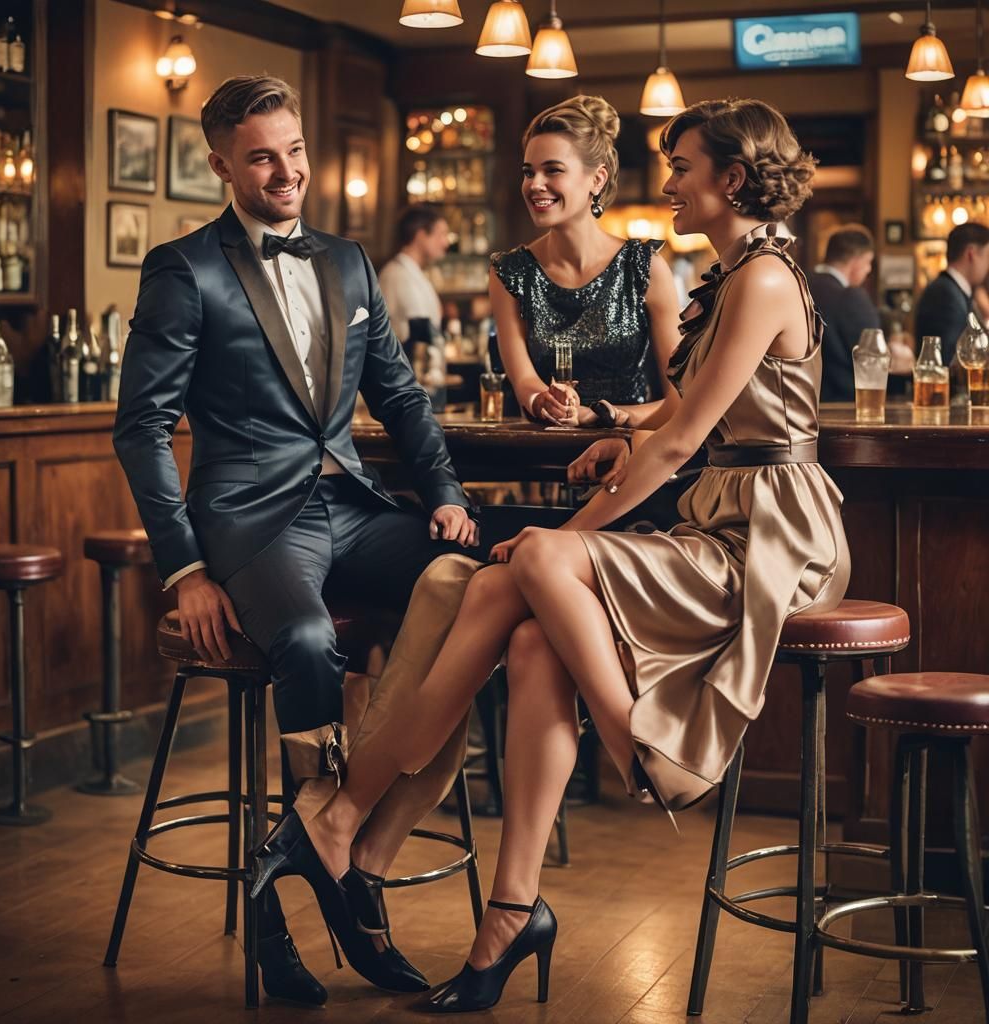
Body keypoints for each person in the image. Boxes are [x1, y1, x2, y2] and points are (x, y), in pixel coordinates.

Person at [252, 97, 850, 1013]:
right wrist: (619, 428)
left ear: (732, 178)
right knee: (522, 632)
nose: (671, 184)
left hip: (773, 537)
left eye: (683, 167)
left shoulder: (759, 278)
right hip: (722, 511)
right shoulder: (729, 276)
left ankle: (647, 761)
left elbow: (686, 438)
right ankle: (505, 913)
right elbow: (684, 413)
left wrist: (566, 541)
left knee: (521, 566)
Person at [113, 74, 480, 1005]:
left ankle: (349, 849)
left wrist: (442, 493)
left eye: (294, 150)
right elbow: (141, 427)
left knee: (473, 585)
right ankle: (289, 910)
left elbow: (397, 395)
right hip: (247, 515)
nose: (285, 171)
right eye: (262, 156)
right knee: (310, 640)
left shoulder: (351, 262)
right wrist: (186, 567)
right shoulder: (182, 268)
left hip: (349, 504)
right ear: (223, 164)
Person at [490, 96, 681, 430]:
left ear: (597, 179)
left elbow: (682, 396)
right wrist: (544, 401)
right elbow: (524, 383)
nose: (535, 185)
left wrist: (605, 416)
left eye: (553, 170)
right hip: (544, 457)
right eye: (528, 172)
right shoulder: (510, 272)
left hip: (631, 454)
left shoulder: (644, 267)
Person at [808, 224, 913, 401]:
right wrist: (900, 354)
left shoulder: (800, 284)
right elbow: (874, 357)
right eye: (868, 263)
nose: (869, 270)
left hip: (804, 401)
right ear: (856, 261)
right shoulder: (850, 296)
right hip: (845, 405)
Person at [914, 222, 989, 364]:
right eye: (987, 256)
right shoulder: (944, 294)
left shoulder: (953, 290)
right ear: (971, 254)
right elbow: (947, 360)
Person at [378, 203, 450, 344]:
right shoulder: (396, 275)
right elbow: (419, 333)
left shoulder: (413, 272)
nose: (446, 243)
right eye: (441, 234)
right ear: (421, 235)